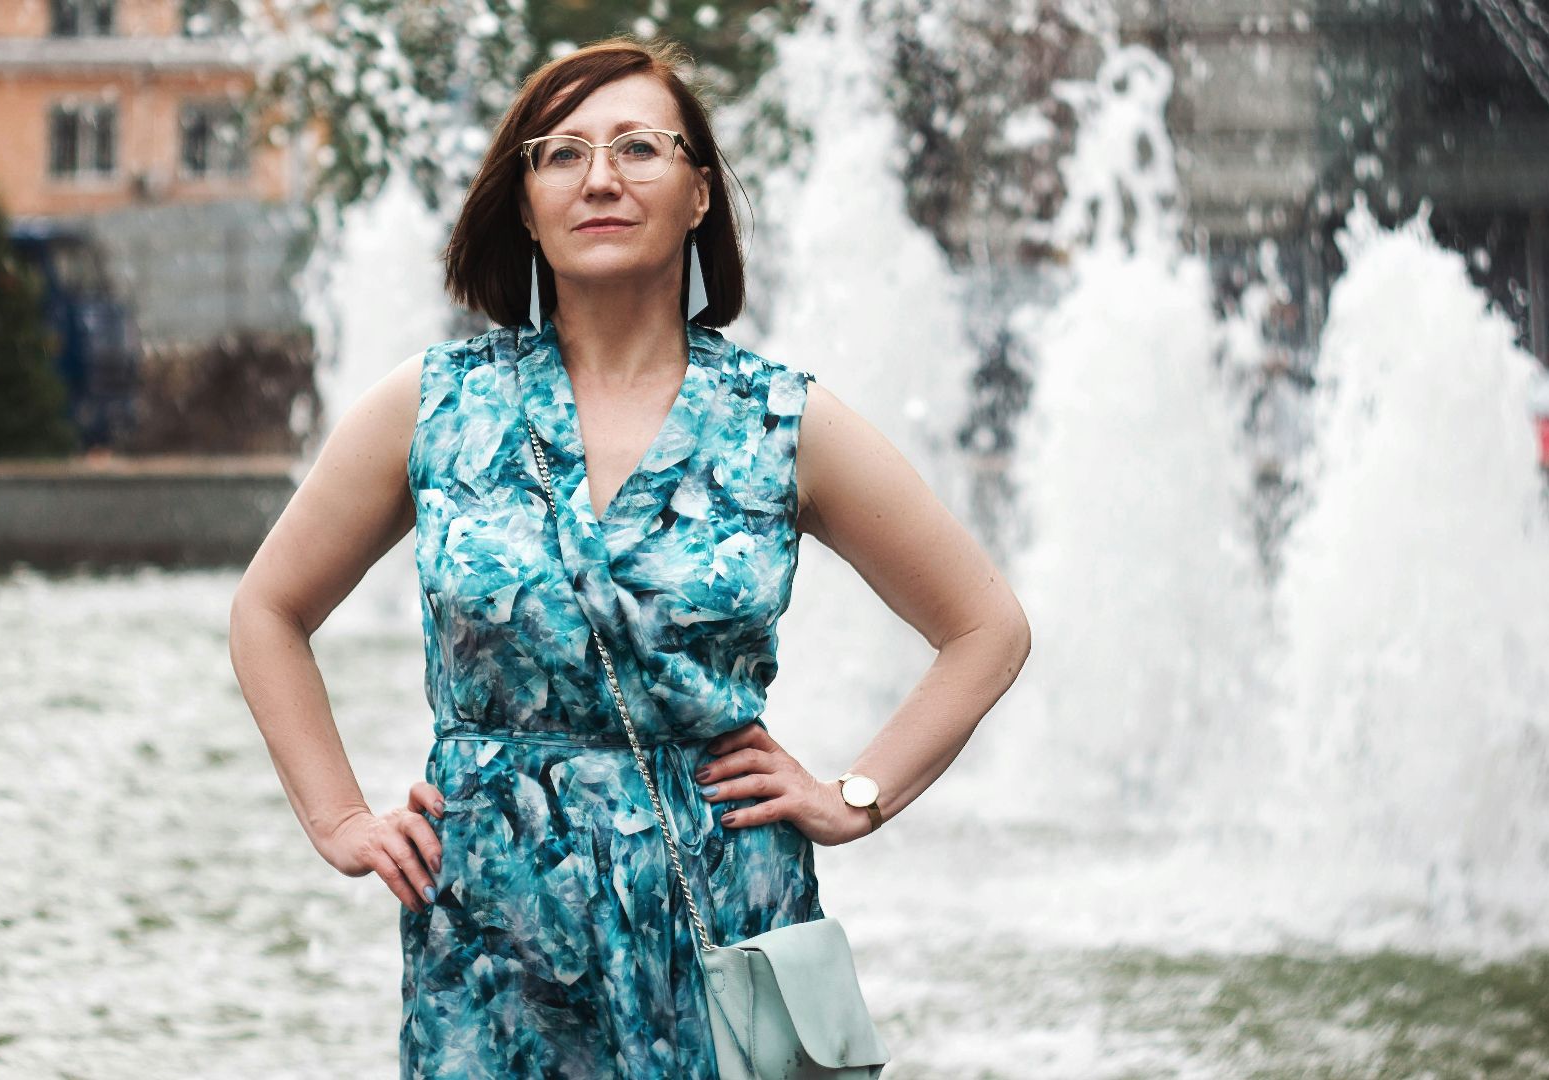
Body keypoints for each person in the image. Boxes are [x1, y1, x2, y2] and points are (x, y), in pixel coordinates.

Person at [228, 36, 1032, 1079]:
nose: (599, 177)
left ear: (699, 191)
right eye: (560, 154)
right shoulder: (435, 406)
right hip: (495, 929)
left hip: (720, 910)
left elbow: (986, 628)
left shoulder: (781, 421)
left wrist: (856, 796)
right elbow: (268, 611)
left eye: (639, 148)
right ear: (523, 203)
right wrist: (338, 816)